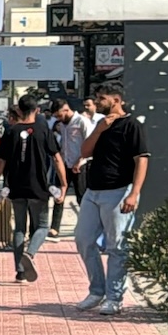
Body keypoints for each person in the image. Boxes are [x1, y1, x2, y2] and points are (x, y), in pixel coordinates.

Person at [74, 82, 149, 315]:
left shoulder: (132, 126)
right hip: (93, 192)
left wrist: (134, 193)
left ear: (116, 100)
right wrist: (98, 130)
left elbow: (142, 160)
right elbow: (85, 152)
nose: (97, 103)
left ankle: (114, 297)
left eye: (102, 99)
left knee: (117, 246)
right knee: (83, 239)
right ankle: (97, 291)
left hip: (119, 192)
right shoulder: (100, 124)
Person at [0, 95, 66, 282]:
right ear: (37, 110)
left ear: (19, 110)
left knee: (19, 227)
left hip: (16, 187)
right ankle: (30, 253)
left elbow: (0, 161)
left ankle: (20, 271)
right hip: (39, 187)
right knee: (43, 225)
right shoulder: (44, 130)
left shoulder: (10, 131)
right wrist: (64, 184)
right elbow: (57, 158)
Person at [50, 96, 97, 238]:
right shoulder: (62, 125)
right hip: (65, 163)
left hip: (80, 164)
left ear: (66, 109)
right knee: (59, 194)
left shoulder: (82, 121)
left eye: (60, 115)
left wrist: (80, 160)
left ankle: (86, 227)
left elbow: (90, 142)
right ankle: (54, 227)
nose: (59, 118)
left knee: (81, 197)